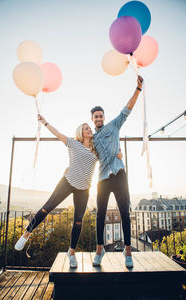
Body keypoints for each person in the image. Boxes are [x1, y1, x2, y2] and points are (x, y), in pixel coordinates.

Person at [15, 114, 98, 268]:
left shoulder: (96, 150)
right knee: (47, 207)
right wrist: (45, 122)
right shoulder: (73, 143)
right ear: (80, 132)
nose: (89, 130)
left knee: (78, 221)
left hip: (84, 188)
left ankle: (71, 252)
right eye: (86, 128)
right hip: (67, 182)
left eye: (90, 128)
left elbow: (109, 148)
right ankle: (27, 233)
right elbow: (58, 133)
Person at [91, 75, 143, 268]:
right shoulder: (91, 139)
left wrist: (137, 89)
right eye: (95, 116)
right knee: (100, 214)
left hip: (120, 176)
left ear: (104, 117)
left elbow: (127, 109)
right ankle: (99, 249)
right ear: (92, 119)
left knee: (124, 213)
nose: (98, 119)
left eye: (100, 116)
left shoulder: (113, 126)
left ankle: (128, 252)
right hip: (102, 179)